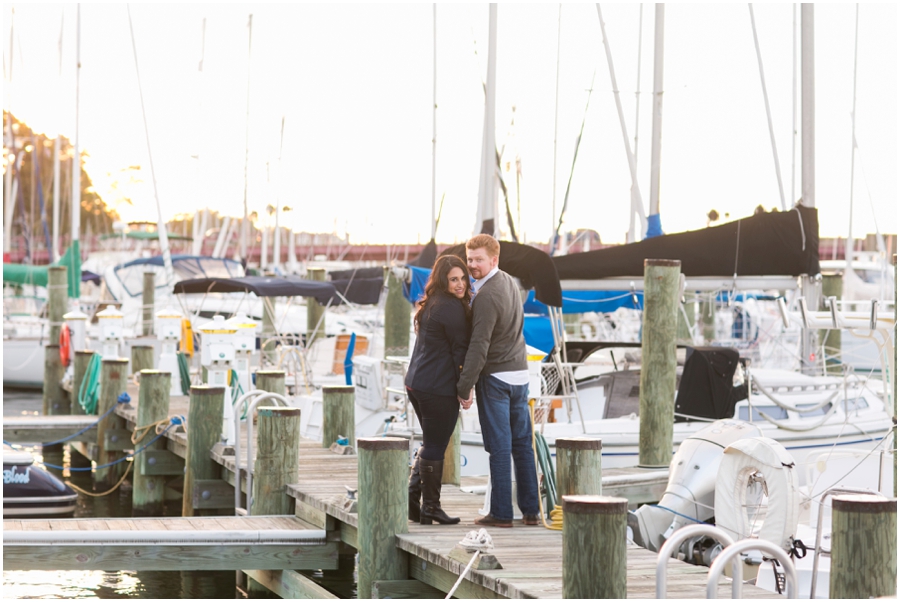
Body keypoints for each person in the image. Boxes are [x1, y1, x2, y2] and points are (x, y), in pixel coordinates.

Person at [457, 234, 540, 528]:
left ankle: (502, 513)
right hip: (519, 375)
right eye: (469, 259)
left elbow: (479, 347)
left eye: (478, 259)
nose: (472, 265)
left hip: (497, 378)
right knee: (522, 445)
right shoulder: (508, 282)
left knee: (500, 446)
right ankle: (531, 511)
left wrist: (463, 386)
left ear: (494, 259)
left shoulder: (487, 296)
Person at [405, 254, 473, 525]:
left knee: (431, 442)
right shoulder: (452, 308)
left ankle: (412, 500)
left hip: (416, 383)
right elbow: (460, 353)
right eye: (453, 279)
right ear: (443, 281)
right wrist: (465, 389)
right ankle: (430, 507)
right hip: (435, 388)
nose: (460, 284)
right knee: (435, 445)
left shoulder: (432, 302)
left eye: (462, 278)